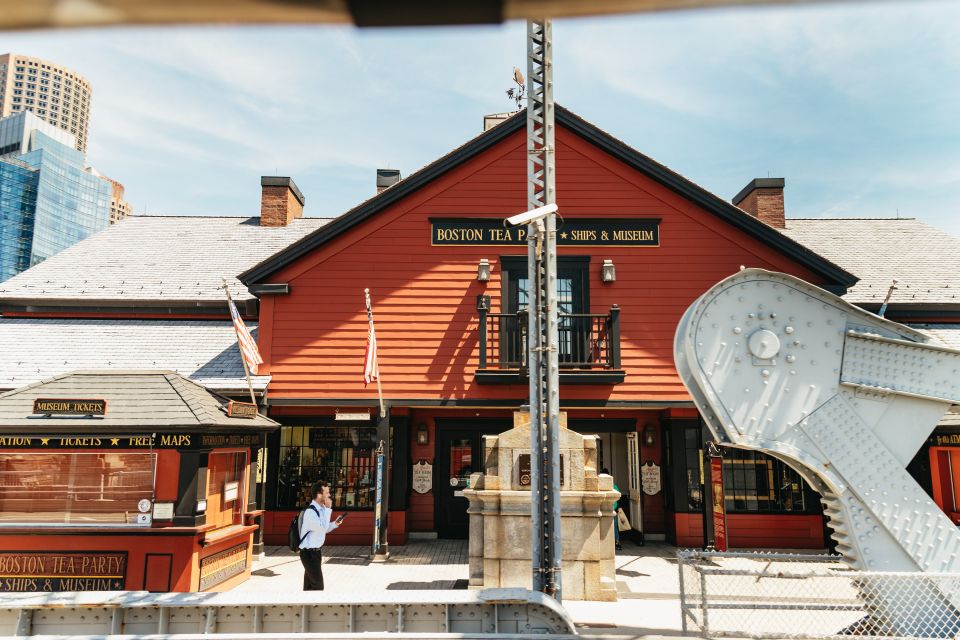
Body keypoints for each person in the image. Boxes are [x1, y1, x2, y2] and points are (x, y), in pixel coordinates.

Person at [299, 480, 343, 590]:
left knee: (309, 586)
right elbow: (322, 527)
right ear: (319, 495)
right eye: (327, 493)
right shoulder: (311, 512)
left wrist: (335, 524)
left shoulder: (321, 509)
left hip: (316, 552)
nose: (329, 495)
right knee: (318, 586)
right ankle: (313, 606)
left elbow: (324, 528)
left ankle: (306, 606)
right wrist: (328, 509)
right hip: (308, 554)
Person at [602, 468, 623, 551]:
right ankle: (617, 543)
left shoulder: (600, 485)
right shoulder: (614, 486)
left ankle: (606, 543)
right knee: (615, 527)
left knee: (605, 527)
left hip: (604, 509)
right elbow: (619, 498)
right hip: (614, 508)